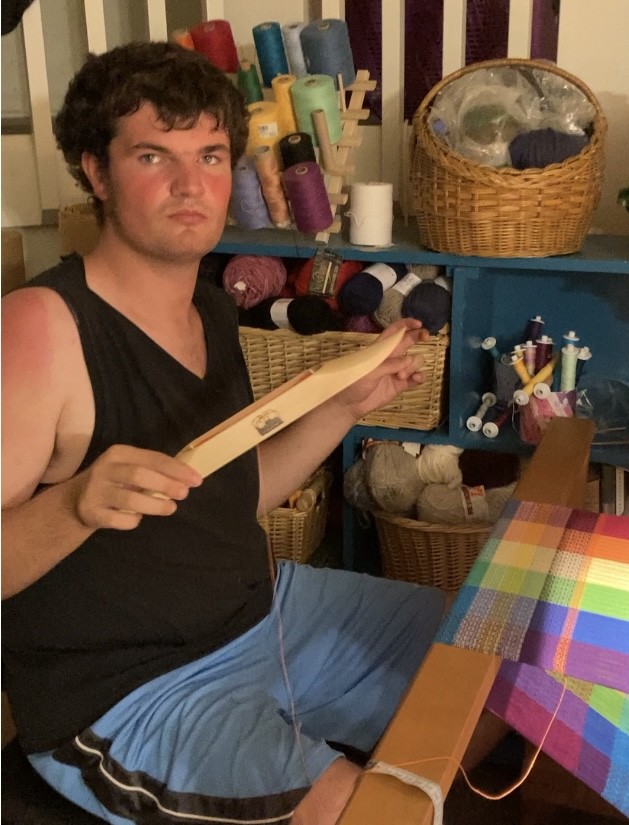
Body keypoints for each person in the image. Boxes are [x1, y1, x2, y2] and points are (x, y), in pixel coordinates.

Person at [1, 41, 501, 825]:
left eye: (207, 154)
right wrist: (74, 505)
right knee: (366, 814)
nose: (188, 184)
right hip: (130, 687)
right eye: (150, 156)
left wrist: (343, 405)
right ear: (95, 172)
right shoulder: (39, 328)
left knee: (489, 655)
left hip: (262, 616)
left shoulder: (207, 303)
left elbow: (231, 496)